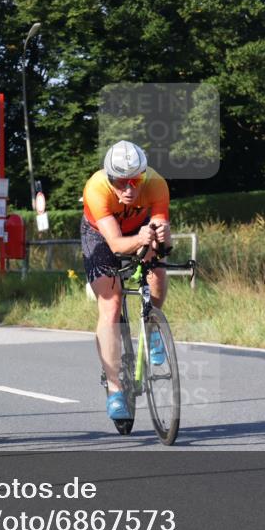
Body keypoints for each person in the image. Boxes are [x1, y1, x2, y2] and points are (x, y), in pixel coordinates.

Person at [81, 140, 171, 420]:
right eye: (121, 182)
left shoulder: (156, 184)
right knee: (111, 304)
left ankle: (152, 325)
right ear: (110, 179)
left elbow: (160, 238)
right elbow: (118, 244)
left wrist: (162, 238)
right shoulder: (96, 189)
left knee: (156, 270)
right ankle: (115, 388)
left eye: (136, 180)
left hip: (139, 229)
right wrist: (141, 239)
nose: (130, 189)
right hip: (101, 236)